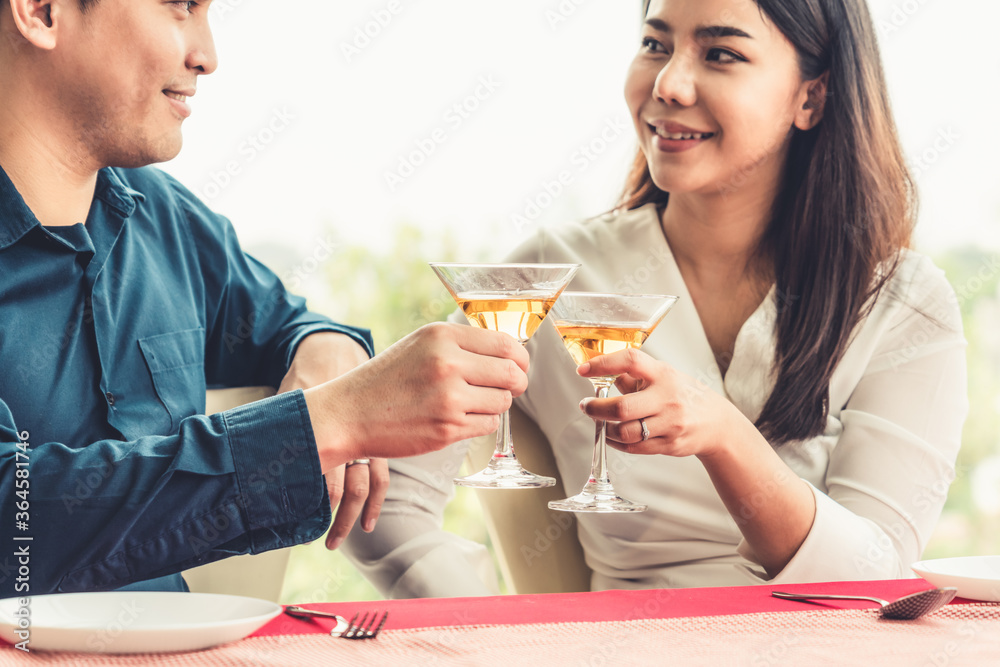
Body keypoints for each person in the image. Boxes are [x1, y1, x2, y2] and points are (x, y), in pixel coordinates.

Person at [343, 0, 968, 596]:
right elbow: (384, 493)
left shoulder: (901, 302)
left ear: (812, 96)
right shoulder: (554, 274)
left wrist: (725, 437)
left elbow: (878, 577)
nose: (668, 83)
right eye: (654, 44)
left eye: (721, 54)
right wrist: (485, 632)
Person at [0, 0, 530, 597]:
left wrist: (325, 350)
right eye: (180, 8)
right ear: (42, 11)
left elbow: (290, 325)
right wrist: (331, 422)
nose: (208, 56)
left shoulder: (164, 220)